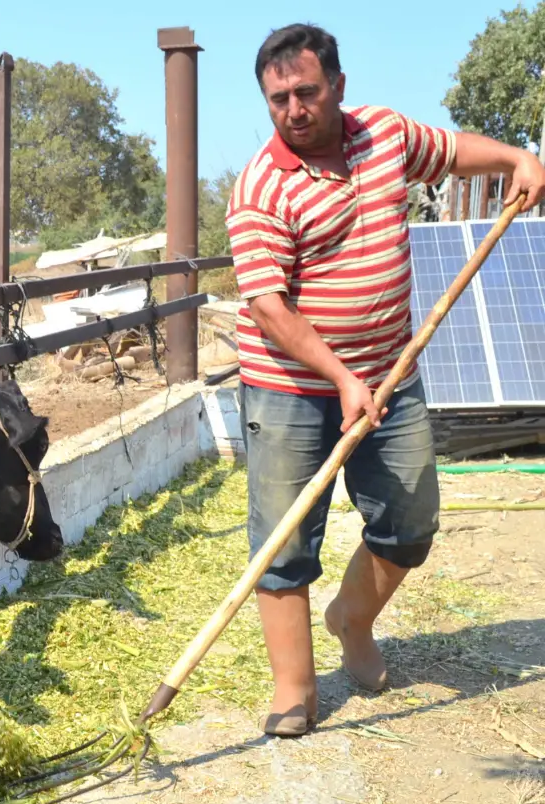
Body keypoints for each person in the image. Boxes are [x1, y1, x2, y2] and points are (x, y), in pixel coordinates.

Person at [225, 23, 545, 737]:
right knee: (283, 539)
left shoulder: (384, 136)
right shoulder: (259, 189)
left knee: (409, 523)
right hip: (291, 386)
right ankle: (294, 687)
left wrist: (519, 157)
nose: (293, 109)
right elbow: (270, 309)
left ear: (338, 85)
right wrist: (339, 376)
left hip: (390, 373)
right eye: (278, 98)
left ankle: (352, 619)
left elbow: (456, 152)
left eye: (306, 92)